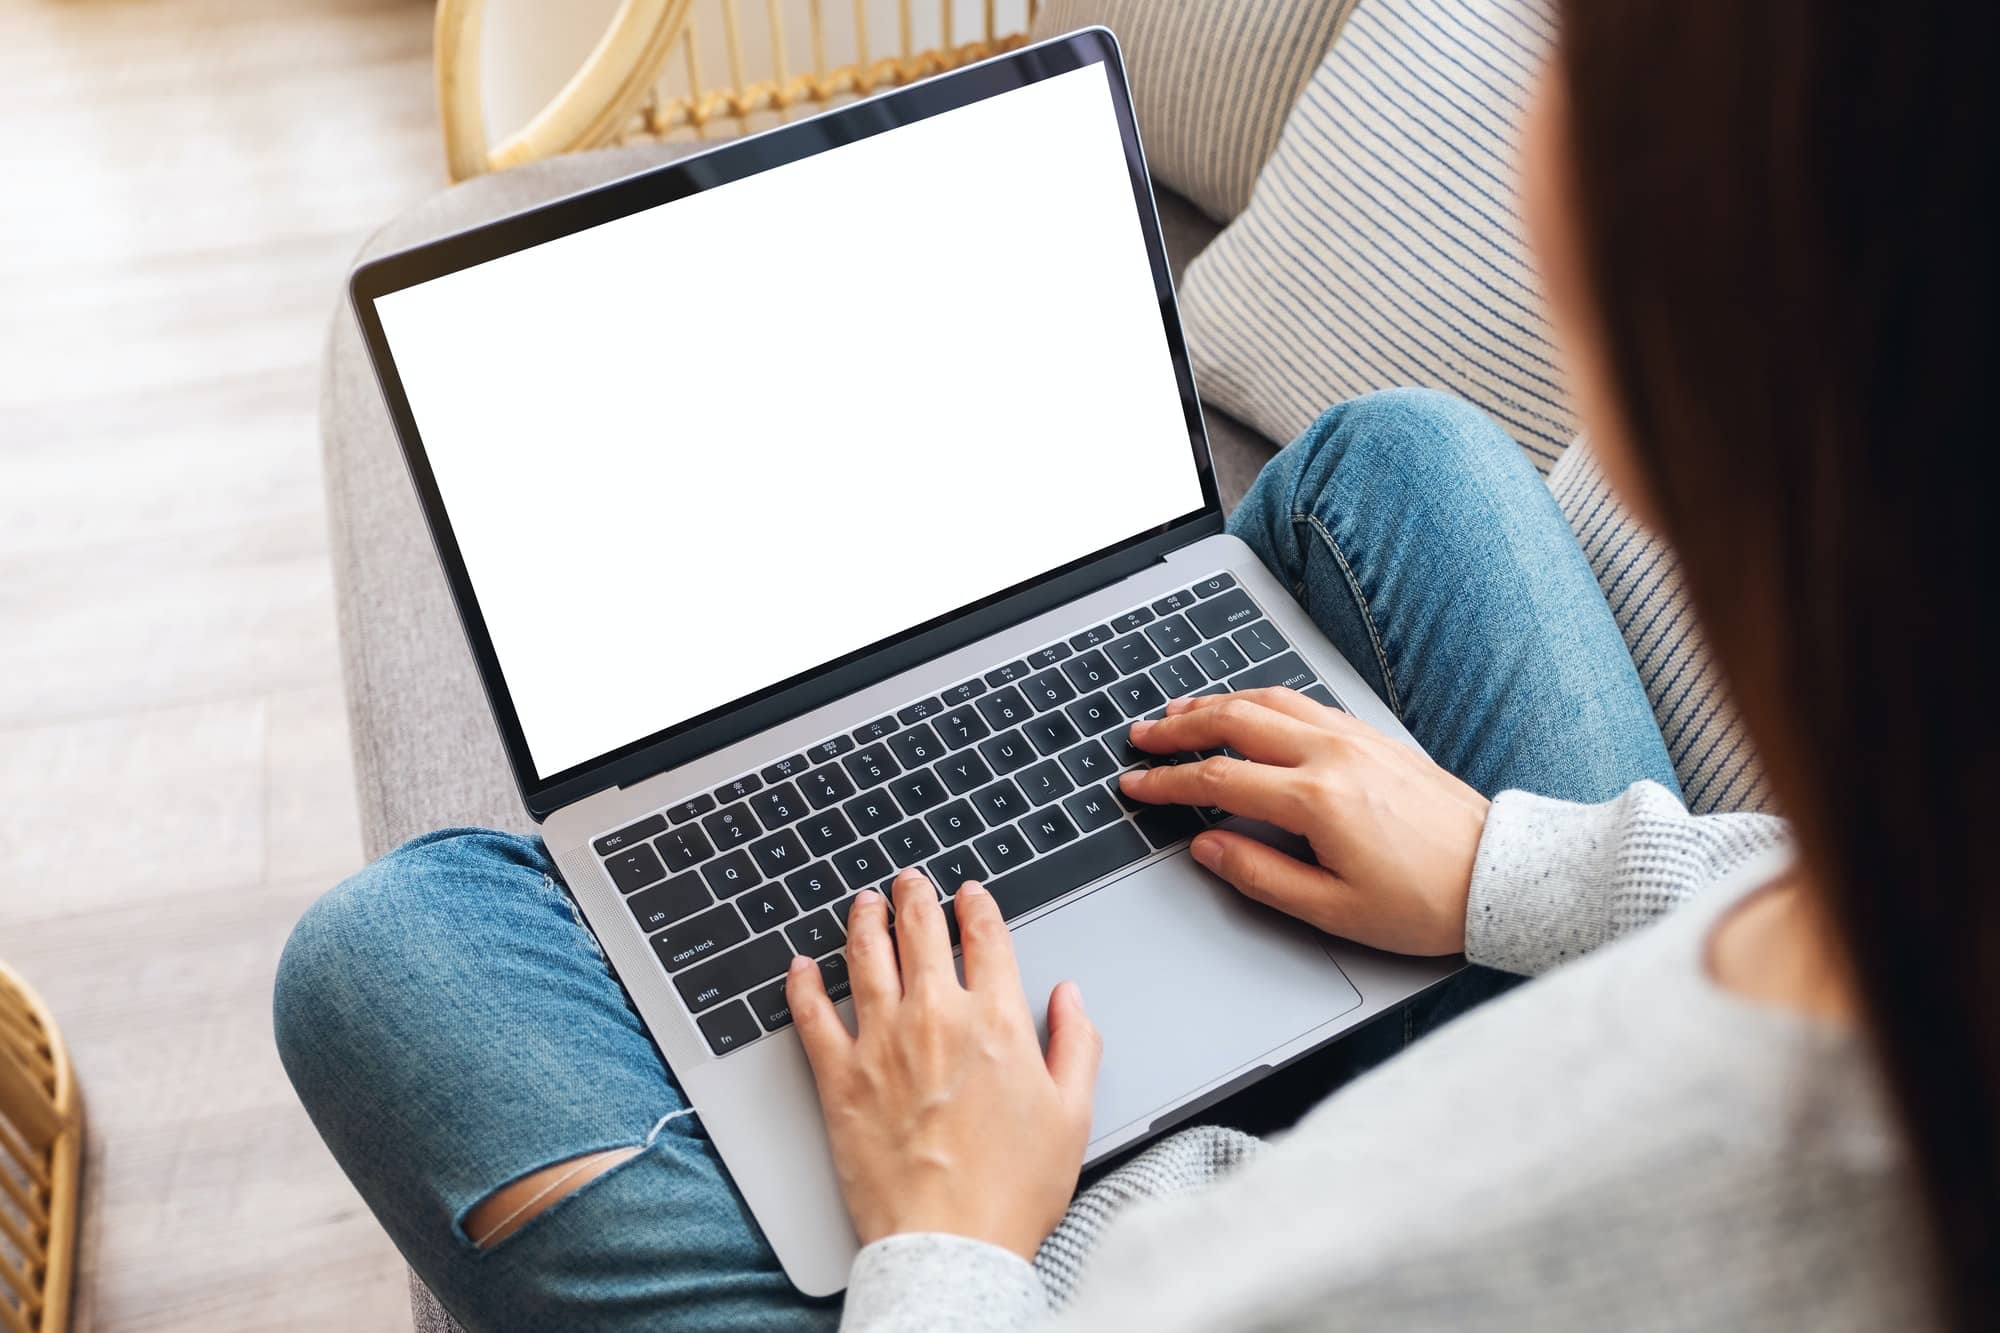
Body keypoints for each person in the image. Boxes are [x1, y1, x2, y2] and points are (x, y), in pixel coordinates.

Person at [275, 1, 1995, 1328]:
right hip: (1486, 969)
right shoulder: (1924, 887)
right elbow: (1804, 902)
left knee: (384, 960)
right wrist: (1499, 864)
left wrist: (951, 1226)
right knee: (1400, 458)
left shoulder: (1484, 1238)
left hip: (1069, 1266)